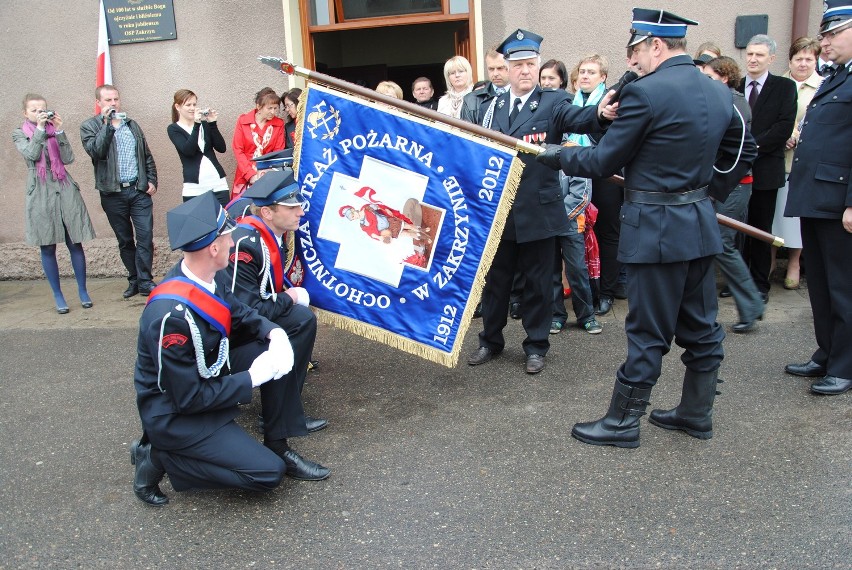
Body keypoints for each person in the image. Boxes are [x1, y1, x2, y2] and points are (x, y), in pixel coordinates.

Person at [537, 8, 756, 446]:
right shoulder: (718, 91)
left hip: (656, 230)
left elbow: (602, 161)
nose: (632, 60)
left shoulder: (647, 93)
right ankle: (696, 413)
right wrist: (706, 192)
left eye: (636, 50)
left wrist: (556, 154)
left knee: (647, 330)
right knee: (700, 325)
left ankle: (623, 422)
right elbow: (744, 148)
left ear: (656, 45)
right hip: (697, 223)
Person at [131, 192, 330, 507]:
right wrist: (251, 377)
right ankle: (161, 456)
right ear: (213, 248)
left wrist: (274, 332)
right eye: (228, 237)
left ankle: (278, 443)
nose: (234, 242)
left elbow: (242, 312)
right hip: (178, 413)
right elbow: (188, 398)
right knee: (267, 475)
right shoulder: (170, 318)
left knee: (274, 355)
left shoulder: (208, 274)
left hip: (210, 375)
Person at [467, 28, 614, 375]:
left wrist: (601, 115)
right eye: (517, 64)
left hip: (538, 210)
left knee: (537, 284)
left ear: (537, 66)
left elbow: (580, 118)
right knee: (496, 283)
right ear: (507, 67)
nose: (524, 70)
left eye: (530, 64)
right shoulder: (491, 107)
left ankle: (535, 346)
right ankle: (490, 340)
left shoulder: (553, 101)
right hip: (500, 213)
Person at [783, 0, 852, 396]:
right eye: (824, 33)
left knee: (843, 286)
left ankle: (844, 365)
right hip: (818, 195)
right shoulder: (838, 76)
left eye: (832, 33)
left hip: (839, 200)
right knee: (822, 285)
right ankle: (827, 353)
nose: (824, 41)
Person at [224, 170, 327, 433]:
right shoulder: (246, 245)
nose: (300, 213)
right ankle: (279, 416)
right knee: (298, 321)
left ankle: (283, 409)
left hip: (243, 323)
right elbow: (248, 312)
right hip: (225, 341)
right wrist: (290, 296)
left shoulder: (268, 236)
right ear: (267, 213)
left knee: (302, 320)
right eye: (291, 207)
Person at [13, 94, 96, 313]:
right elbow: (31, 154)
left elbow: (68, 158)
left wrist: (59, 131)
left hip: (65, 186)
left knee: (74, 242)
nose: (40, 113)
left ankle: (82, 290)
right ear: (25, 113)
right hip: (40, 190)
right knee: (47, 245)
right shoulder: (20, 133)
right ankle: (58, 295)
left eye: (43, 109)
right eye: (34, 110)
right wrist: (40, 129)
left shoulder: (53, 131)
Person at [701, 56, 765, 333]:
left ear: (724, 77)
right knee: (716, 242)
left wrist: (717, 185)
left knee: (723, 242)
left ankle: (751, 305)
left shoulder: (733, 102)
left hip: (735, 185)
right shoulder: (721, 99)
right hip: (721, 185)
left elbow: (741, 151)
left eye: (709, 75)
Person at [541, 57, 602, 336]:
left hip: (570, 222)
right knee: (551, 273)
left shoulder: (575, 152)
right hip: (547, 224)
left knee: (577, 271)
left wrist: (558, 215)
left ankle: (586, 315)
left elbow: (582, 192)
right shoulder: (543, 154)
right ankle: (556, 315)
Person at [80, 84, 158, 299]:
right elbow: (97, 152)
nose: (113, 103)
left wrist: (151, 180)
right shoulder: (90, 127)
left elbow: (146, 155)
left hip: (138, 190)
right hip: (112, 193)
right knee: (125, 240)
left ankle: (145, 281)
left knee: (145, 237)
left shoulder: (132, 125)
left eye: (115, 99)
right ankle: (134, 279)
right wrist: (108, 126)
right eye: (107, 100)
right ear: (98, 103)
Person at [738, 35, 797, 304]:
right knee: (738, 228)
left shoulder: (784, 87)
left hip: (765, 170)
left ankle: (760, 284)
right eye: (750, 54)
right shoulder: (736, 86)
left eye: (759, 55)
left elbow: (783, 128)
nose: (753, 59)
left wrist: (748, 147)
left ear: (771, 58)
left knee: (760, 229)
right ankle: (738, 281)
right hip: (736, 172)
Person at [774, 37, 824, 290]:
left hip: (804, 161)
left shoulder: (823, 86)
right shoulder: (779, 84)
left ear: (815, 61)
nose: (803, 64)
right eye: (798, 59)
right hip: (777, 159)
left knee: (796, 217)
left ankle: (794, 261)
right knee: (775, 215)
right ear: (790, 60)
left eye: (809, 59)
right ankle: (770, 259)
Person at [167, 89, 229, 207]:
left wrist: (212, 124)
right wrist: (196, 124)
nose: (192, 108)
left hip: (218, 184)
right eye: (188, 105)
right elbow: (188, 151)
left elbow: (221, 148)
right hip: (194, 188)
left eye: (194, 104)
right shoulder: (173, 129)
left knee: (225, 223)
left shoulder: (204, 125)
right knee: (199, 224)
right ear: (178, 107)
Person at [232, 87, 285, 196]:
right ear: (259, 107)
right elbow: (238, 149)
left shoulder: (278, 124)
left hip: (267, 172)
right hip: (245, 171)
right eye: (269, 108)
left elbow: (278, 151)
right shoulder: (243, 121)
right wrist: (250, 174)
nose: (273, 112)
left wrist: (265, 173)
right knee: (244, 206)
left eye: (276, 108)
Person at [460, 47, 510, 124]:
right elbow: (466, 134)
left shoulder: (523, 96)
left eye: (500, 68)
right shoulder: (471, 100)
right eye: (491, 69)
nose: (495, 74)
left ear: (510, 66)